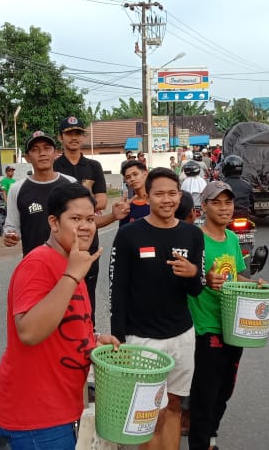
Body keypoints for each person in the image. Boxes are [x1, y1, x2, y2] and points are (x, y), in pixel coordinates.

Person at [0, 183, 121, 449]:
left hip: (60, 406)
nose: (85, 226)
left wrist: (94, 340)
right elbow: (28, 332)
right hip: (36, 413)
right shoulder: (39, 263)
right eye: (75, 218)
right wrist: (71, 276)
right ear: (54, 222)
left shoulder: (72, 262)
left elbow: (65, 322)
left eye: (90, 219)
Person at [109, 168, 205, 450]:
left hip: (181, 335)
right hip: (142, 339)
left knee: (174, 406)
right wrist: (119, 338)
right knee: (150, 414)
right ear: (147, 196)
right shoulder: (128, 235)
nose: (167, 199)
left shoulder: (192, 234)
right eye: (160, 194)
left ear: (180, 195)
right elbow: (117, 289)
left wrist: (193, 273)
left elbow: (196, 289)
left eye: (172, 193)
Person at [187, 181, 265, 450]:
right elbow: (185, 278)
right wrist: (204, 280)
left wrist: (254, 284)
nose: (224, 208)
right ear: (204, 206)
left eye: (228, 202)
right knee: (205, 393)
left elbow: (236, 276)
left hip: (233, 326)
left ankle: (211, 437)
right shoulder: (195, 239)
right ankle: (199, 444)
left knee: (224, 390)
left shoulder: (232, 238)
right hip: (205, 326)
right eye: (216, 203)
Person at [6, 130, 127, 256]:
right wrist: (10, 235)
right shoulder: (17, 189)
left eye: (47, 148)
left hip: (69, 261)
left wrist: (113, 216)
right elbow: (11, 227)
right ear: (27, 157)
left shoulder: (70, 183)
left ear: (55, 153)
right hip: (34, 261)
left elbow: (86, 220)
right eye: (35, 150)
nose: (42, 153)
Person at [54, 116, 110, 322]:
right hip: (62, 242)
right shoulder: (54, 166)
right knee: (61, 289)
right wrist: (87, 202)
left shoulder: (93, 166)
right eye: (69, 133)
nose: (74, 137)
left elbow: (102, 201)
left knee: (88, 291)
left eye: (78, 133)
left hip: (88, 240)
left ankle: (89, 331)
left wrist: (72, 207)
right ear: (60, 137)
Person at [119, 159, 150, 226]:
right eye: (128, 177)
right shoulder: (127, 207)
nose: (132, 179)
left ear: (145, 173)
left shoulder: (158, 200)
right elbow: (123, 230)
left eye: (135, 174)